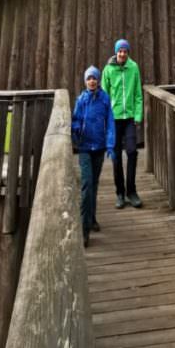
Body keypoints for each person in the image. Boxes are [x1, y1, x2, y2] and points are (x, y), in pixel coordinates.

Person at [71, 65, 116, 247]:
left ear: (98, 81)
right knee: (87, 184)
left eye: (94, 78)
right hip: (84, 147)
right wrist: (74, 133)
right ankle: (84, 229)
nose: (92, 81)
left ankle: (93, 217)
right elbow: (75, 120)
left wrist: (110, 144)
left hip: (99, 147)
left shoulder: (105, 99)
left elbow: (111, 122)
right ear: (85, 81)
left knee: (94, 184)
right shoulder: (81, 100)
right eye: (89, 78)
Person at [101, 38, 143, 209]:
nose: (122, 53)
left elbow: (138, 94)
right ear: (116, 52)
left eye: (125, 51)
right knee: (116, 156)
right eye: (120, 51)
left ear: (128, 52)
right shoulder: (108, 70)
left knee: (132, 152)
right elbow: (103, 97)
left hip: (130, 118)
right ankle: (120, 193)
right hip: (113, 119)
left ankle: (131, 192)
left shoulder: (133, 68)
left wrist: (138, 116)